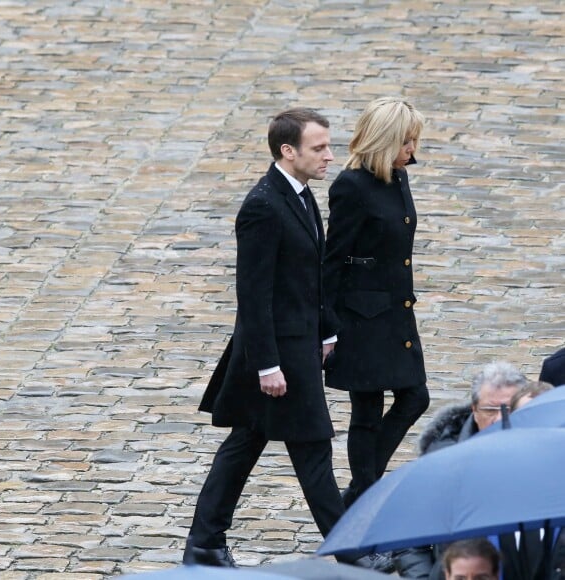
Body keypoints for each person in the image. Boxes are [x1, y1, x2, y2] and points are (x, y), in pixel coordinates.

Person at [182, 108, 375, 569]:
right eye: (319, 148)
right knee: (313, 450)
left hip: (298, 346)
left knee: (244, 444)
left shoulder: (303, 196)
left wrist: (326, 328)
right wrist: (267, 365)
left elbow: (309, 278)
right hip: (277, 358)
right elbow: (253, 294)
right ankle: (351, 553)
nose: (330, 156)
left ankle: (204, 544)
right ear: (288, 151)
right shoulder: (263, 206)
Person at [322, 96, 430, 509]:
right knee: (365, 412)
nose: (412, 151)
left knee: (415, 397)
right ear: (387, 141)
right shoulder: (350, 187)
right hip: (361, 319)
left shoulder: (398, 177)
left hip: (396, 313)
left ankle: (359, 492)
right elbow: (332, 261)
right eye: (407, 142)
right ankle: (365, 498)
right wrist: (326, 324)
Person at [393, 361, 532, 579]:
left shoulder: (544, 455)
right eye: (490, 410)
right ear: (474, 410)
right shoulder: (442, 459)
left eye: (508, 410)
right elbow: (409, 541)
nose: (498, 418)